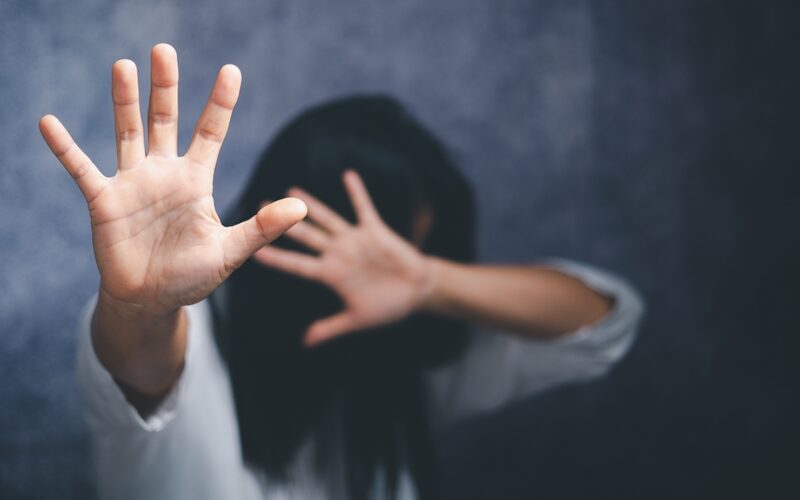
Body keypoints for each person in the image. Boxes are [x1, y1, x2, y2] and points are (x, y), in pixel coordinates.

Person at [40, 44, 644, 500]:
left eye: (413, 252)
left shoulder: (391, 357)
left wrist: (432, 283)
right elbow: (144, 366)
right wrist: (142, 306)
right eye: (377, 249)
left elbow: (604, 321)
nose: (381, 277)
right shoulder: (190, 341)